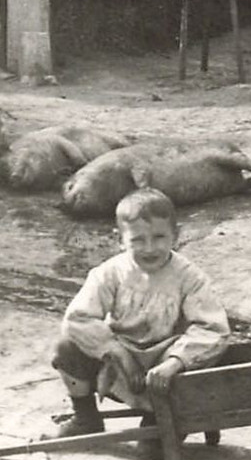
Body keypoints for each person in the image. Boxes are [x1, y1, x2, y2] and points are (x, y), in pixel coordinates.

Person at [49, 188, 230, 441]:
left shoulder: (189, 277)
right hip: (120, 363)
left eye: (159, 237)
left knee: (151, 449)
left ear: (175, 236)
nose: (149, 248)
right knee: (66, 348)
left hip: (164, 369)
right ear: (121, 240)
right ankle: (86, 417)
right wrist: (117, 352)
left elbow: (212, 328)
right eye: (137, 240)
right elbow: (78, 319)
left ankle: (160, 418)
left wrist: (174, 363)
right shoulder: (109, 273)